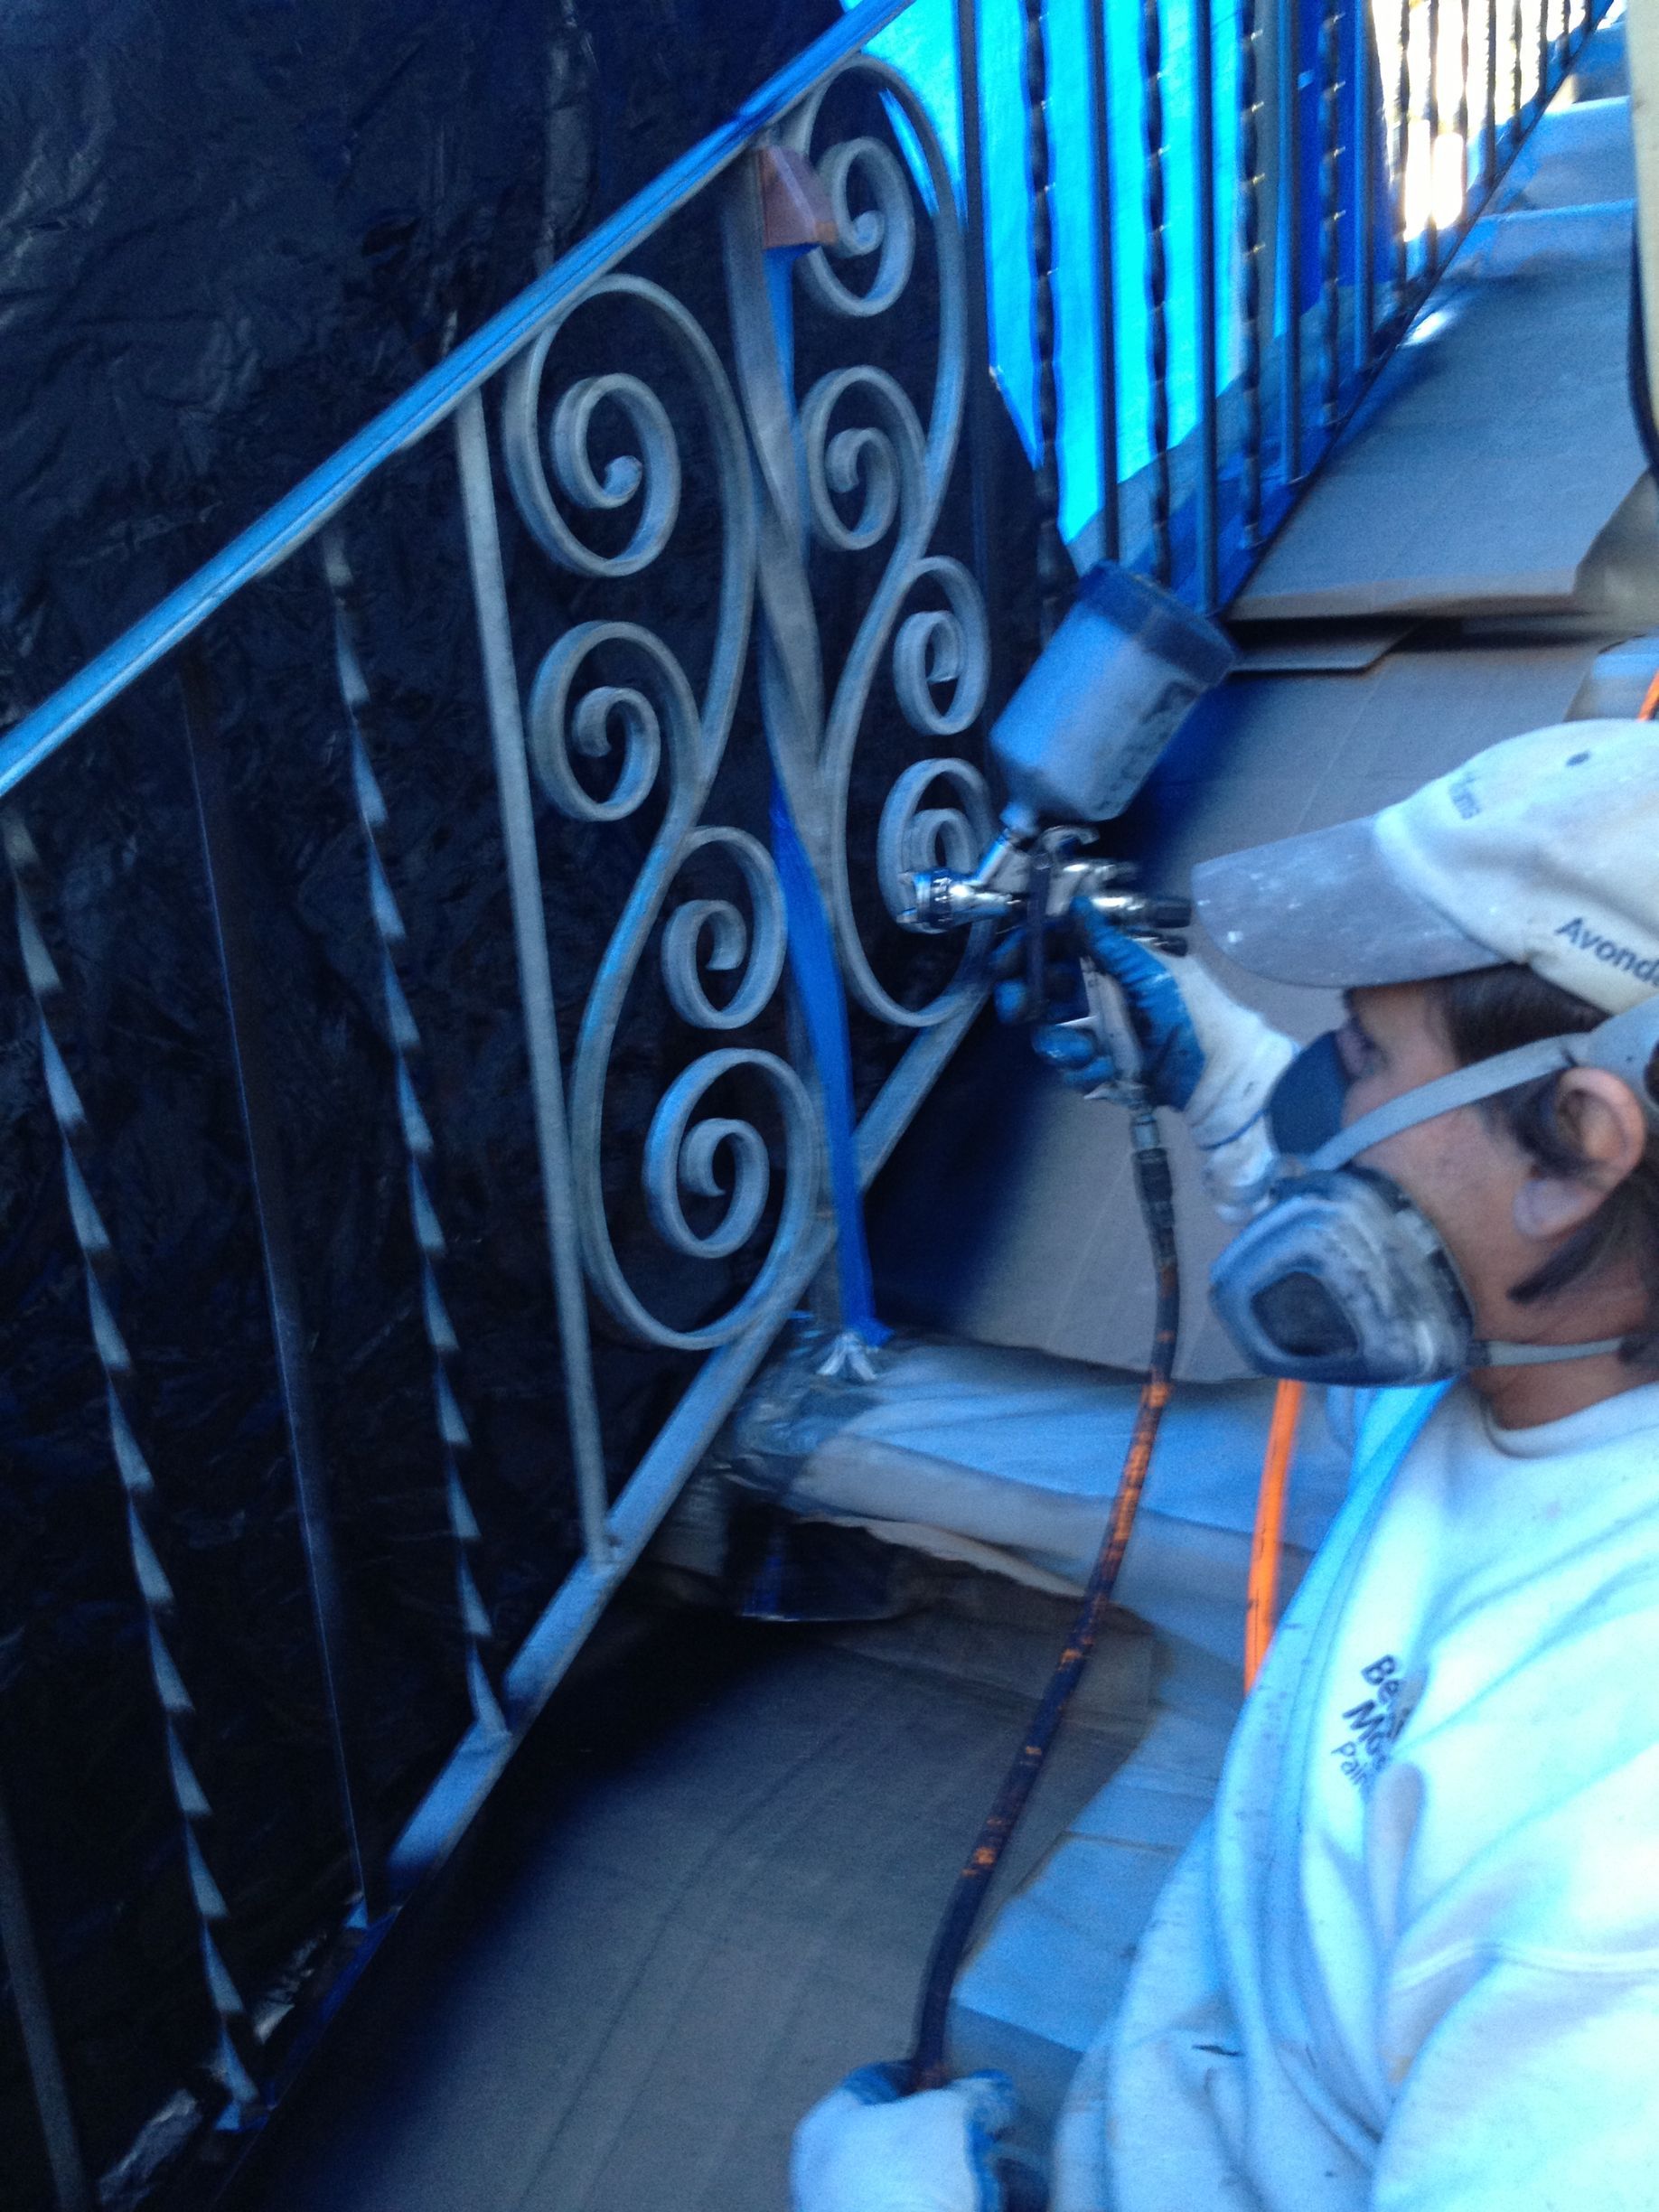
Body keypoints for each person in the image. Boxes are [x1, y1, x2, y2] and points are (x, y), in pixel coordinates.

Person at [792, 719, 1659, 2212]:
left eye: (1365, 1056)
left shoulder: (1610, 1849)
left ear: (1581, 1144)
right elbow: (1422, 1205)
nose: (1329, 1100)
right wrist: (1205, 1057)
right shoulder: (1537, 1348)